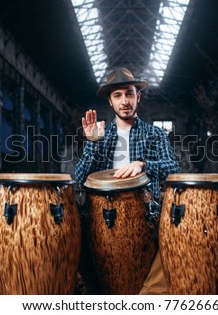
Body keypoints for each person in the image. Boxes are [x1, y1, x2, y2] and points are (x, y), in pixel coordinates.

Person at [74, 67, 180, 294]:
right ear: (110, 102)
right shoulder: (100, 136)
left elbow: (173, 169)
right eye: (117, 95)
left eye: (129, 93)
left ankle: (146, 297)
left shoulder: (156, 134)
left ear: (138, 97)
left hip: (146, 214)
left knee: (177, 235)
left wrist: (143, 165)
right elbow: (79, 179)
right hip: (102, 216)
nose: (125, 101)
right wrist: (92, 143)